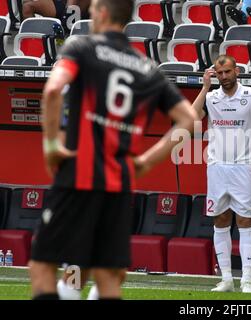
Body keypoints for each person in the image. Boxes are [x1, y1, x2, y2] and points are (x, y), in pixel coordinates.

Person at [29, 0, 198, 300]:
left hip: (76, 177)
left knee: (43, 265)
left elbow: (53, 90)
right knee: (109, 277)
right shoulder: (148, 68)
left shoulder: (81, 48)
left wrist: (51, 145)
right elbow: (189, 120)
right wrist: (145, 161)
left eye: (93, 9)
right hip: (119, 183)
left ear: (102, 12)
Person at [192, 55, 251, 293]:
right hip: (216, 167)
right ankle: (226, 278)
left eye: (227, 72)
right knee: (220, 220)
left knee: (246, 221)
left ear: (237, 71)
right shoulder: (211, 97)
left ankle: (246, 279)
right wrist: (205, 87)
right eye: (219, 73)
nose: (224, 76)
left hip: (243, 166)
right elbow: (192, 117)